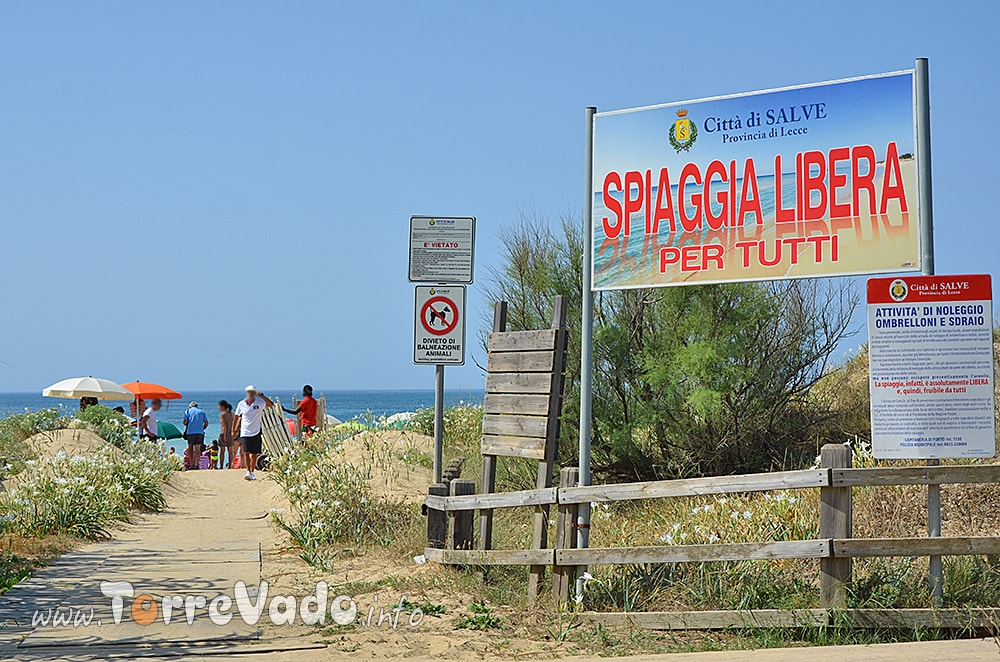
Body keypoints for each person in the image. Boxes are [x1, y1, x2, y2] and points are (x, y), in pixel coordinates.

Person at [232, 385, 273, 481]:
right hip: (245, 431)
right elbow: (236, 417)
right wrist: (233, 430)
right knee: (246, 452)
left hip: (256, 431)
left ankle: (252, 472)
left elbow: (271, 405)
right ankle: (248, 471)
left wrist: (262, 396)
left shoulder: (259, 402)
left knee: (254, 454)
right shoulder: (241, 404)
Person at [182, 401, 209, 469]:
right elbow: (206, 422)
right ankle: (197, 464)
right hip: (199, 433)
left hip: (190, 432)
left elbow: (185, 422)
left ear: (190, 406)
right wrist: (202, 428)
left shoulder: (187, 411)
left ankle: (192, 464)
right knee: (198, 449)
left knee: (190, 449)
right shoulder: (202, 412)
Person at [218, 400, 236, 469]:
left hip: (223, 434)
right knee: (230, 451)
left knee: (222, 451)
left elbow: (224, 426)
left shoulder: (222, 415)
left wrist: (225, 436)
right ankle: (230, 466)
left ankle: (221, 466)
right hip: (231, 434)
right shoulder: (232, 415)